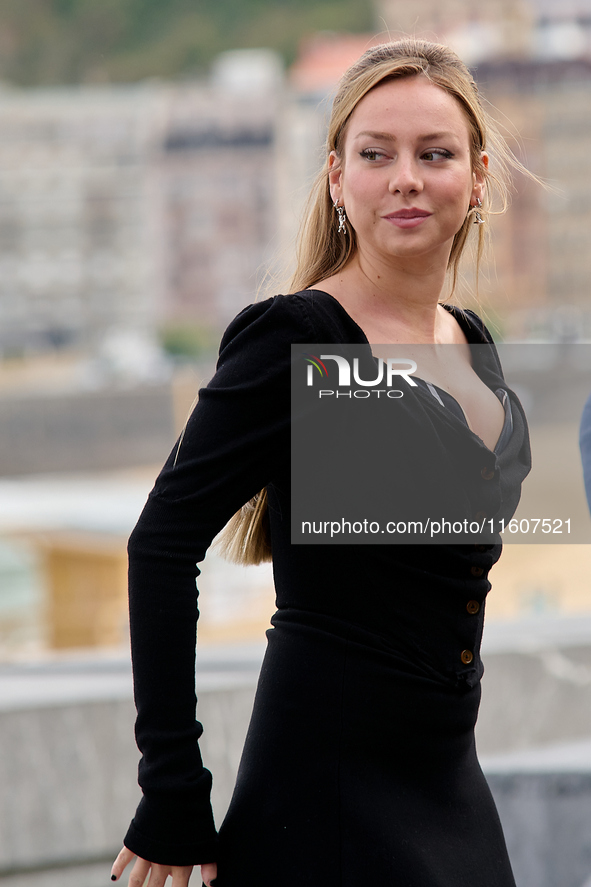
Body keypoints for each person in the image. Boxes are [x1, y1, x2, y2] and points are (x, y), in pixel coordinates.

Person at [111, 39, 532, 887]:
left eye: (433, 154)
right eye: (374, 155)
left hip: (451, 788)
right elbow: (160, 546)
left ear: (477, 177)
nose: (404, 178)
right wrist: (172, 783)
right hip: (327, 790)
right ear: (338, 178)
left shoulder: (472, 340)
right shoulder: (295, 337)